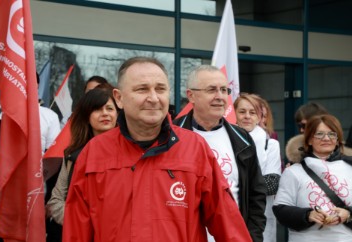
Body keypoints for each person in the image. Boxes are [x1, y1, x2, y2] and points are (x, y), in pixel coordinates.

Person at [62, 57, 252, 242]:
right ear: (119, 98)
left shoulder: (195, 148)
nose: (153, 98)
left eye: (160, 89)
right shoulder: (94, 153)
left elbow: (228, 225)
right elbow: (77, 231)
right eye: (142, 89)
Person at [173, 65, 266, 242]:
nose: (220, 97)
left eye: (224, 90)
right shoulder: (171, 136)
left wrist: (251, 237)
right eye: (211, 90)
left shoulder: (242, 139)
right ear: (191, 95)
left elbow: (256, 195)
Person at [46, 87, 119, 242]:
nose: (105, 113)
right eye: (98, 109)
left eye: (110, 108)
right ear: (87, 116)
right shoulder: (73, 156)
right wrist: (83, 222)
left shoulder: (130, 154)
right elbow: (56, 201)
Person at [273, 114, 352, 242]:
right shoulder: (293, 172)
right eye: (319, 134)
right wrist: (309, 215)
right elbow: (280, 210)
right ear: (309, 140)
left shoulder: (350, 168)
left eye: (332, 134)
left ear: (338, 140)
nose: (326, 138)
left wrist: (348, 214)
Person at [234, 93, 281, 242]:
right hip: (230, 211)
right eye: (242, 111)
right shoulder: (224, 140)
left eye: (252, 112)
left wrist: (235, 185)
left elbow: (272, 183)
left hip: (259, 214)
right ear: (234, 113)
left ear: (259, 116)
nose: (247, 116)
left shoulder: (270, 144)